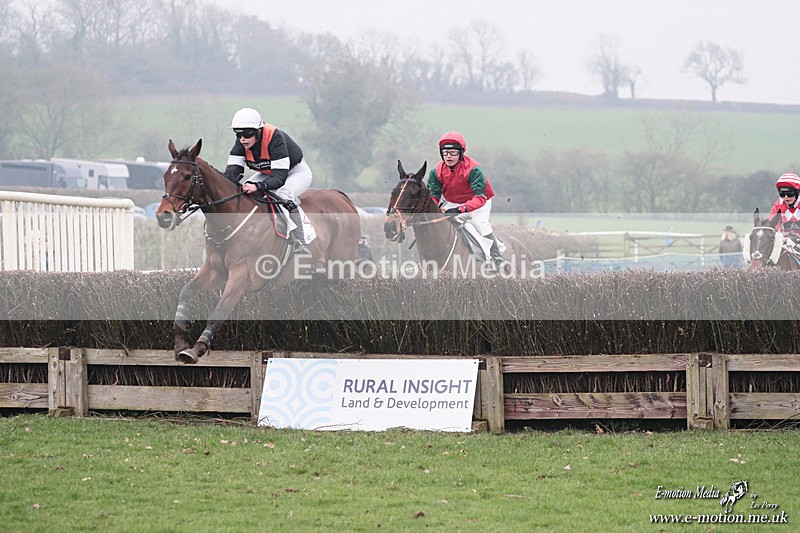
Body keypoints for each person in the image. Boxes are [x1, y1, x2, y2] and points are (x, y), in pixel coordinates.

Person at [224, 107, 312, 254]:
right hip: (269, 173)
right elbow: (232, 175)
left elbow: (279, 179)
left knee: (283, 194)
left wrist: (258, 186)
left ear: (258, 130)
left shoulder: (275, 137)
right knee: (243, 192)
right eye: (238, 134)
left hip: (295, 172)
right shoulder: (241, 142)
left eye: (247, 133)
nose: (242, 138)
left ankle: (300, 242)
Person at [427, 131, 504, 267]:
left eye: (453, 152)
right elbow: (434, 196)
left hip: (479, 202)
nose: (449, 156)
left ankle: (497, 259)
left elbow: (480, 198)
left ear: (461, 153)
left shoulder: (474, 169)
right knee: (441, 223)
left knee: (480, 224)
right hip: (454, 202)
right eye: (445, 153)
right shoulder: (436, 171)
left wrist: (460, 209)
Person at [769, 172, 800, 244]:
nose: (786, 197)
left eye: (790, 193)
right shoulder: (778, 204)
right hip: (786, 242)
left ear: (797, 192)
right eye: (782, 194)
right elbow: (772, 225)